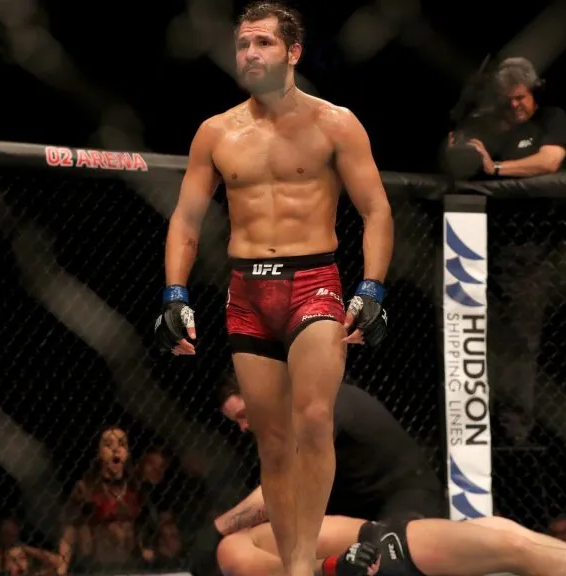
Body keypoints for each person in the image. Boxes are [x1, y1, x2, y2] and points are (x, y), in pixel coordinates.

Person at [154, 3, 394, 576]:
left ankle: (303, 565)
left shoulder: (336, 124)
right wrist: (174, 295)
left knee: (314, 420)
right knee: (273, 440)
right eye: (242, 44)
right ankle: (295, 564)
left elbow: (376, 209)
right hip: (246, 293)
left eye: (262, 42)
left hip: (314, 282)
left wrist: (373, 287)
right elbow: (186, 220)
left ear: (292, 52)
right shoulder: (217, 131)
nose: (250, 54)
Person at [212, 372, 443, 535]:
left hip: (408, 501)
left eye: (244, 414)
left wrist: (218, 529)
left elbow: (284, 489)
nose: (244, 427)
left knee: (387, 555)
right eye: (237, 421)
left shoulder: (316, 405)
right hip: (362, 514)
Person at [217, 512, 566, 576]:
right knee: (517, 551)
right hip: (384, 553)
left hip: (384, 541)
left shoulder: (277, 512)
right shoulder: (231, 548)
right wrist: (330, 565)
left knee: (507, 532)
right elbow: (280, 573)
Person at [446, 57, 566, 179]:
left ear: (534, 94)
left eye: (519, 97)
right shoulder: (486, 122)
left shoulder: (551, 117)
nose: (513, 105)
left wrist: (495, 167)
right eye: (507, 99)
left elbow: (549, 162)